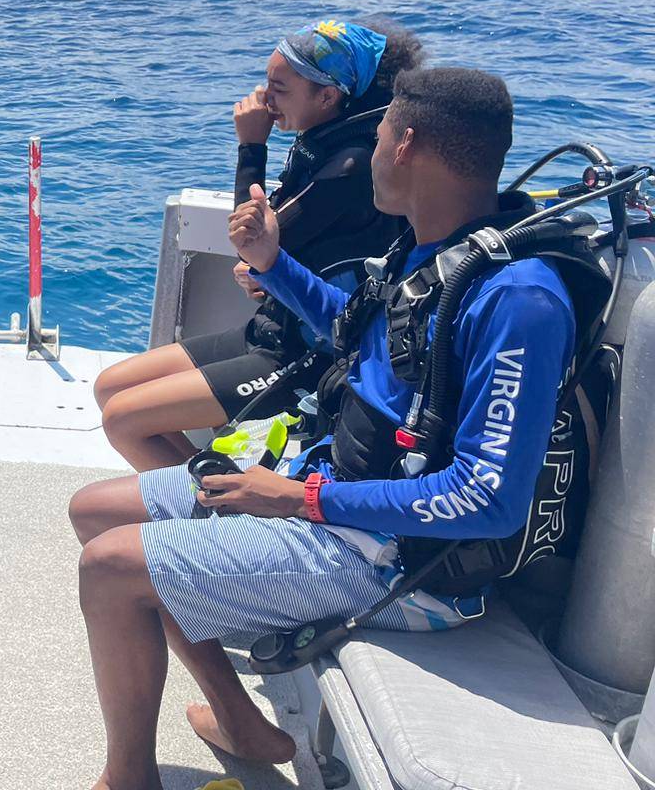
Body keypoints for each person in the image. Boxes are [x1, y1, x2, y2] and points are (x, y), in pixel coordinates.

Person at [67, 67, 576, 790]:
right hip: (334, 493)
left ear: (403, 145)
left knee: (111, 569)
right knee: (93, 512)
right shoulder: (430, 247)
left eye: (376, 137)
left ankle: (127, 779)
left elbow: (489, 497)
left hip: (405, 566)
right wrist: (272, 264)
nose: (369, 152)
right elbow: (354, 335)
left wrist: (299, 502)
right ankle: (237, 715)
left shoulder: (519, 299)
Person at [93, 18, 424, 472]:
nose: (263, 99)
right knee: (110, 388)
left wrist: (251, 147)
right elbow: (272, 245)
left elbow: (247, 236)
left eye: (278, 88)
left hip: (307, 355)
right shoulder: (323, 143)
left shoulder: (350, 165)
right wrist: (264, 272)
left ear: (327, 96)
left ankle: (214, 518)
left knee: (124, 420)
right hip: (272, 329)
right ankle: (211, 501)